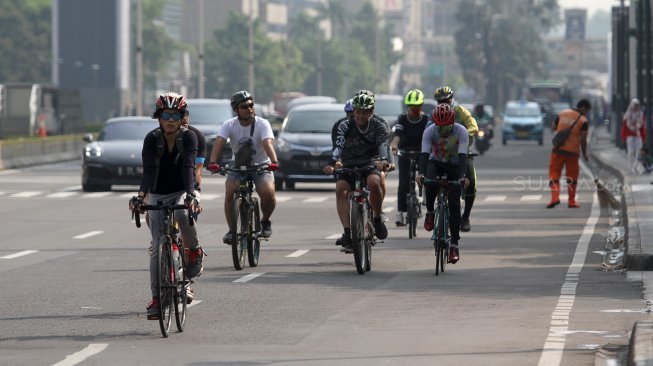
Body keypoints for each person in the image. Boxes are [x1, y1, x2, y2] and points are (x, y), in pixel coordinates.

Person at [128, 92, 204, 320]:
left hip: (183, 190)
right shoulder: (151, 139)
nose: (171, 119)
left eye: (175, 115)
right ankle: (156, 299)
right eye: (166, 115)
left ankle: (194, 251)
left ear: (182, 117)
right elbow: (149, 171)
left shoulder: (189, 137)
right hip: (158, 193)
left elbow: (189, 166)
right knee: (156, 246)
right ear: (158, 117)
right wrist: (141, 196)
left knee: (182, 212)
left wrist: (191, 194)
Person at [207, 90, 279, 243]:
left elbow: (267, 143)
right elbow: (219, 141)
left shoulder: (262, 123)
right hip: (238, 165)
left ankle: (265, 220)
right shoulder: (229, 124)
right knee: (230, 192)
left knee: (268, 194)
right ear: (236, 110)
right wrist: (213, 162)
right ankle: (232, 231)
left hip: (261, 165)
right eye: (244, 107)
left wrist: (274, 161)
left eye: (251, 105)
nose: (249, 109)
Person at [323, 90, 390, 252]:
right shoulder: (344, 125)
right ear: (353, 111)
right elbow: (338, 146)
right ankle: (347, 232)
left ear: (371, 112)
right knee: (340, 189)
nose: (360, 116)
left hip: (369, 163)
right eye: (357, 112)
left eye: (364, 112)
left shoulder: (379, 125)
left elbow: (383, 146)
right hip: (349, 164)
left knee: (374, 183)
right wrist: (332, 163)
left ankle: (376, 218)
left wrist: (383, 161)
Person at [419, 103, 469, 264]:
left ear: (453, 123)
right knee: (429, 181)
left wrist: (463, 177)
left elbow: (463, 157)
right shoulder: (430, 131)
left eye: (447, 126)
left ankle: (454, 244)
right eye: (440, 126)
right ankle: (430, 212)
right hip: (436, 163)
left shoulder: (461, 131)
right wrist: (420, 174)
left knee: (454, 204)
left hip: (455, 165)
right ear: (435, 124)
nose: (444, 130)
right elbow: (424, 155)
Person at [434, 86, 478, 232]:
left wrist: (461, 135)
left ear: (452, 99)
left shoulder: (461, 111)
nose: (444, 103)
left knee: (470, 181)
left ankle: (465, 217)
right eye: (441, 101)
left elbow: (473, 126)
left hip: (461, 154)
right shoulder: (434, 114)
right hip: (442, 154)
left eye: (447, 100)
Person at [389, 89, 429, 226]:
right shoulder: (402, 118)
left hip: (422, 153)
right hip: (405, 152)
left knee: (426, 175)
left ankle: (425, 196)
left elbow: (430, 137)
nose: (414, 110)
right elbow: (398, 134)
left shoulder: (426, 120)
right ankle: (400, 212)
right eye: (411, 107)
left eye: (417, 107)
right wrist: (394, 145)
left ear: (421, 106)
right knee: (403, 183)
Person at [546, 98, 592, 209]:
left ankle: (555, 198)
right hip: (573, 152)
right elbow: (583, 140)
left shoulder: (563, 113)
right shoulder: (583, 121)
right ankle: (571, 202)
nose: (587, 113)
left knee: (554, 173)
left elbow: (554, 126)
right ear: (584, 108)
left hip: (558, 149)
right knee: (572, 177)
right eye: (587, 110)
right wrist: (585, 154)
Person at [621, 98, 646, 174]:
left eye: (637, 105)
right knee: (631, 151)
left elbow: (642, 126)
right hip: (630, 135)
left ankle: (636, 166)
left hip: (638, 135)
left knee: (638, 152)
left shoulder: (641, 114)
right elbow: (625, 126)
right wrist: (623, 136)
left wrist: (643, 136)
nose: (636, 107)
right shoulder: (627, 115)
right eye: (635, 105)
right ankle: (631, 166)